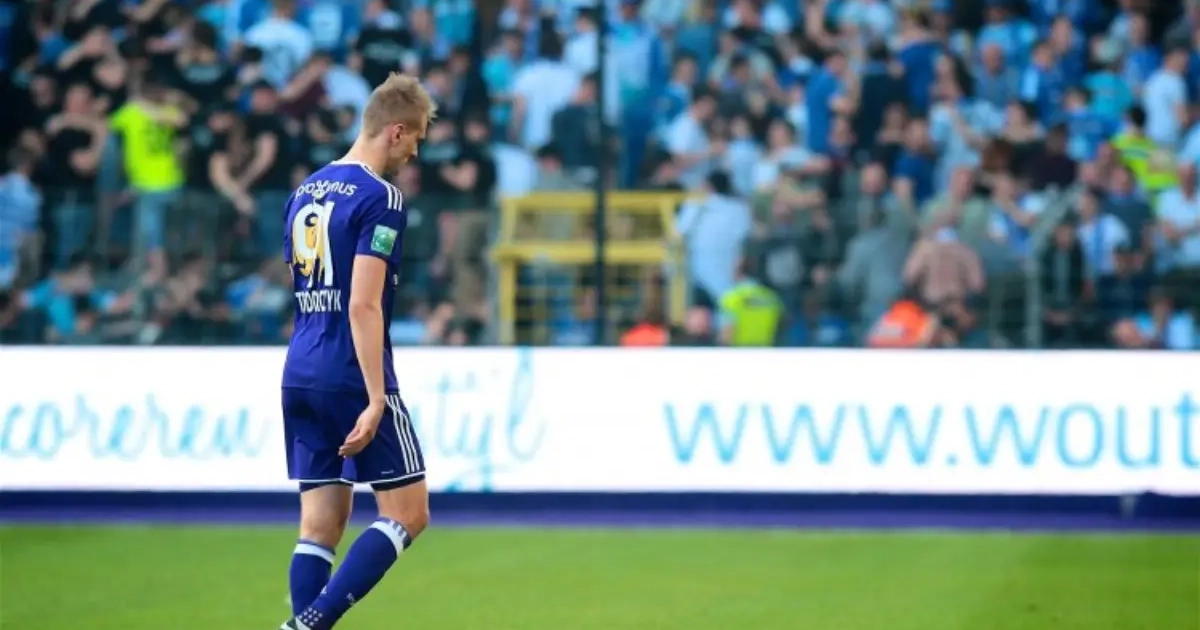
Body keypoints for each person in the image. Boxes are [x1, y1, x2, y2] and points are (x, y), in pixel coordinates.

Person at [277, 73, 437, 630]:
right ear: (395, 132)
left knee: (319, 526)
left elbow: (303, 286)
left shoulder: (304, 192)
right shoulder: (381, 198)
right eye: (415, 139)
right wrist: (374, 398)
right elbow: (363, 304)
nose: (415, 153)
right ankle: (307, 624)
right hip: (350, 371)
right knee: (408, 512)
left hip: (301, 367)